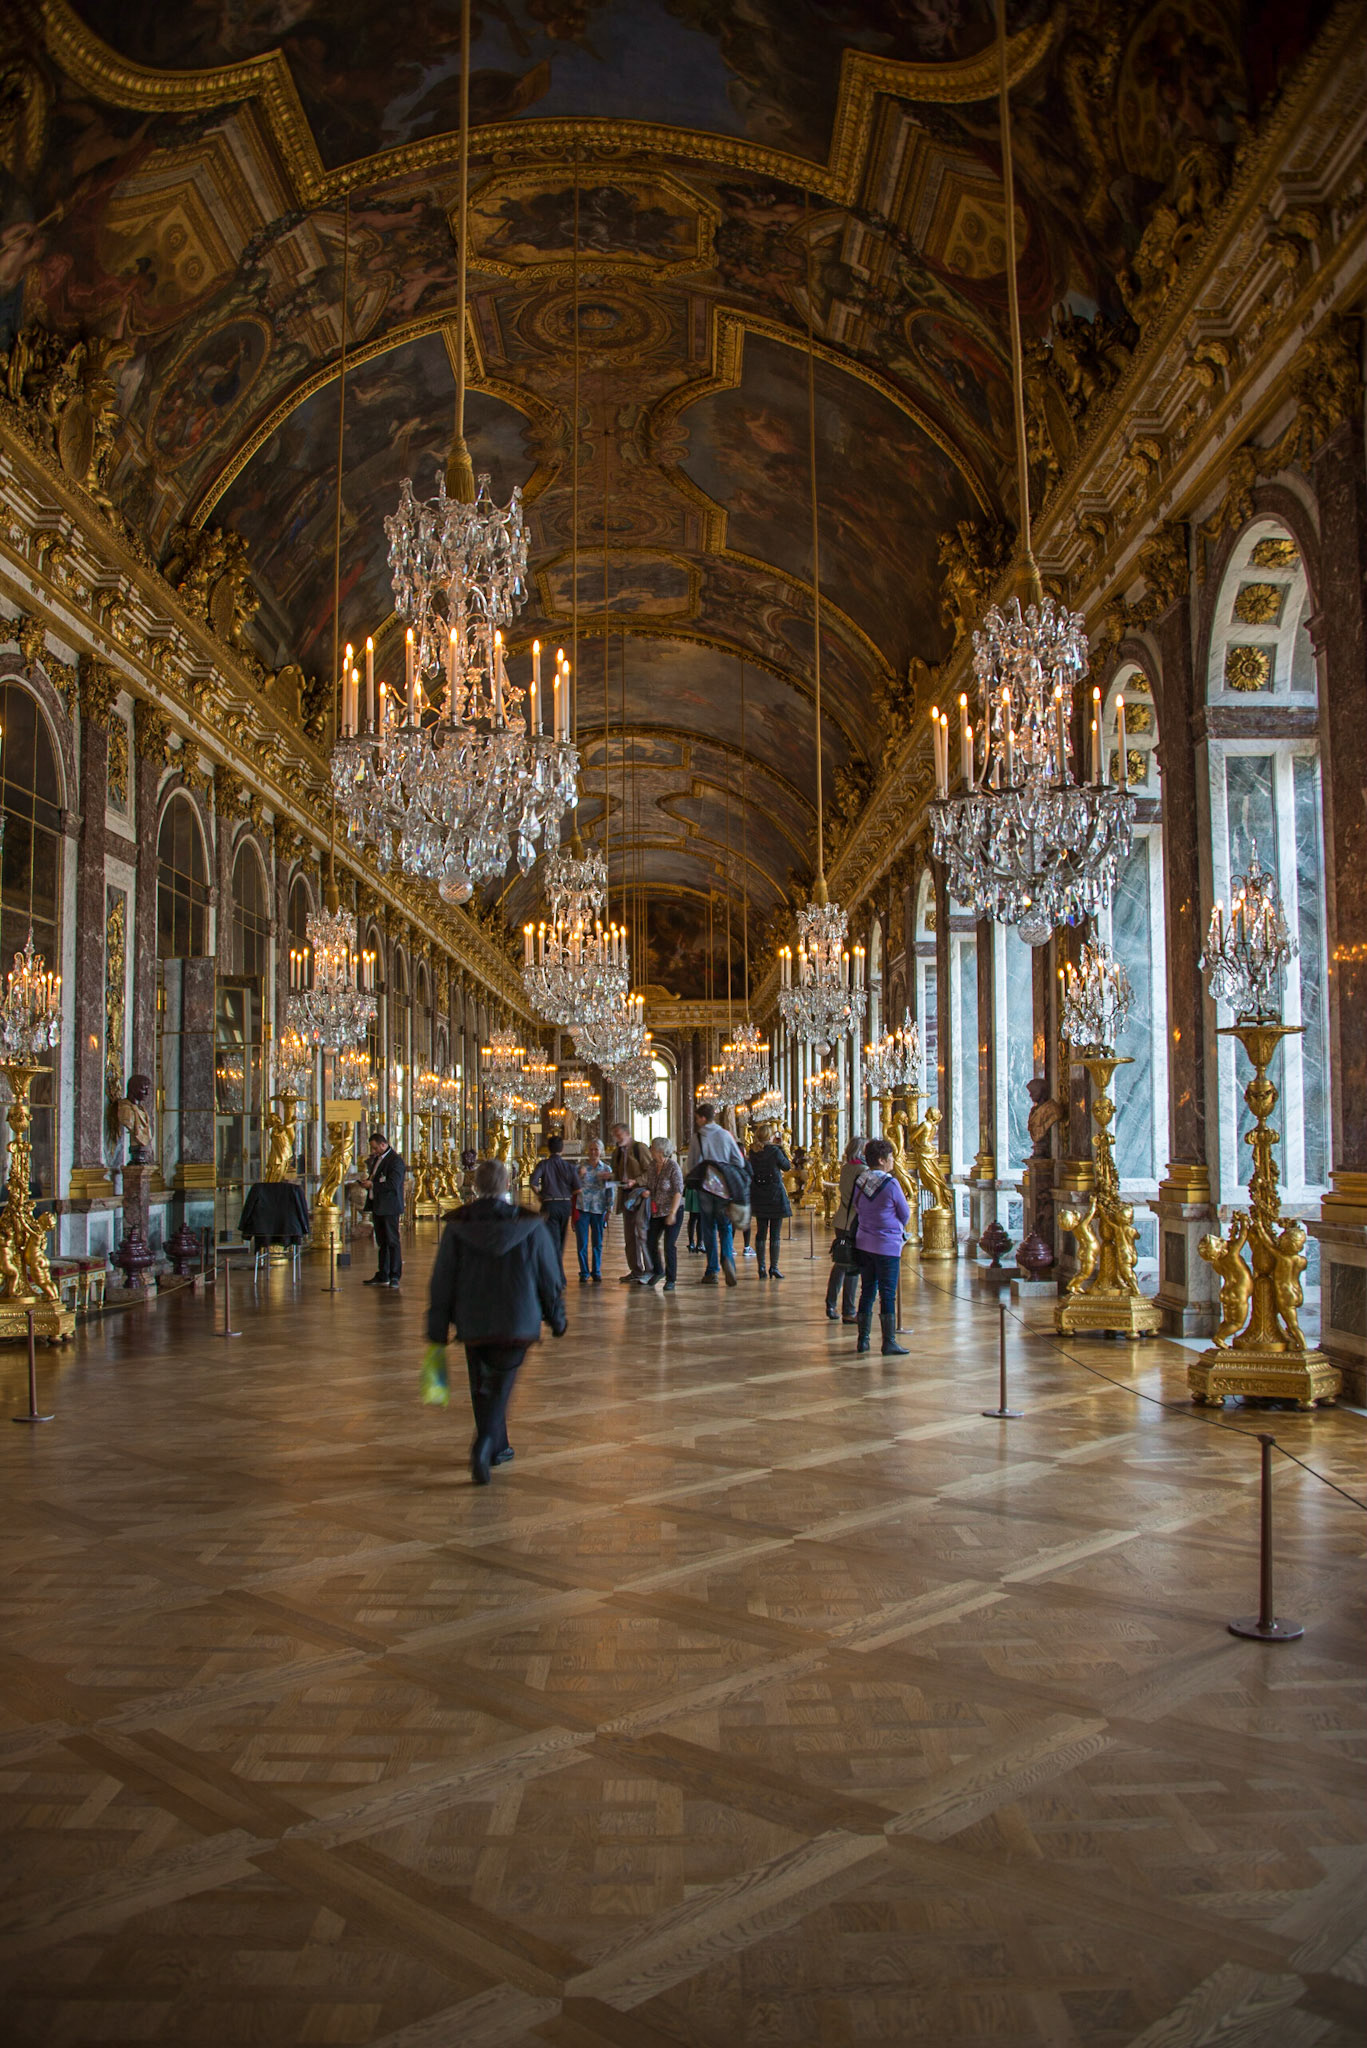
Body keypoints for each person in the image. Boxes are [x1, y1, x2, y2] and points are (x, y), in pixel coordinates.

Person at [423, 1156, 567, 1484]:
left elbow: (442, 1278)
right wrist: (556, 1317)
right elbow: (550, 1276)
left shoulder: (459, 1226)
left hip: (472, 1318)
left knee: (481, 1386)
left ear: (475, 1185)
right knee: (501, 1386)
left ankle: (497, 1445)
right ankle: (485, 1443)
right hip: (517, 1318)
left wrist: (437, 1324)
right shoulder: (530, 1225)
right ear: (508, 1184)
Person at [851, 1137, 912, 1356]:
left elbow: (857, 1206)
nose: (892, 1161)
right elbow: (905, 1213)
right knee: (887, 1293)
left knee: (867, 1290)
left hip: (864, 1242)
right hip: (887, 1245)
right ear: (881, 1160)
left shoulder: (862, 1181)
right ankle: (889, 1341)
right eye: (890, 1157)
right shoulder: (891, 1183)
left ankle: (863, 1339)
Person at [685, 1100, 747, 1287]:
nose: (696, 1122)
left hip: (706, 1187)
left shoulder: (699, 1137)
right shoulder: (726, 1134)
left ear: (703, 1118)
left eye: (697, 1118)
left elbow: (692, 1164)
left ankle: (712, 1270)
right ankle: (728, 1259)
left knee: (708, 1228)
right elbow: (740, 1161)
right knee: (726, 1227)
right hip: (725, 1188)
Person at [827, 1135, 866, 1324]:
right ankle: (849, 1311)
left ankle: (830, 1303)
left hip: (841, 1219)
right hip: (854, 1222)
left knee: (840, 1263)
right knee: (852, 1267)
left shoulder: (846, 1168)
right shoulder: (863, 1170)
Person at [747, 1121, 791, 1279]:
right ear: (770, 1136)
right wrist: (782, 1148)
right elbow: (787, 1167)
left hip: (759, 1194)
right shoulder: (775, 1150)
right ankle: (774, 1267)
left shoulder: (753, 1151)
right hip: (775, 1194)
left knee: (761, 1232)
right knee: (775, 1234)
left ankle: (761, 1268)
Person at [610, 1121, 653, 1283]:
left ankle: (650, 1269)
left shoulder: (639, 1148)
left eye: (618, 1134)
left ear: (627, 1133)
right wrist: (610, 1177)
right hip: (626, 1197)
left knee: (642, 1233)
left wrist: (636, 1181)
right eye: (615, 1135)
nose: (616, 1137)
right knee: (629, 1235)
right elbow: (618, 1173)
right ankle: (635, 1269)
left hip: (641, 1196)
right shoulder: (618, 1152)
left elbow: (651, 1172)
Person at [363, 1129, 406, 1286]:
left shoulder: (395, 1161)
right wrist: (367, 1182)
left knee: (392, 1241)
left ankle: (395, 1275)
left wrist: (372, 1185)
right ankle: (383, 1273)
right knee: (382, 1242)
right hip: (378, 1206)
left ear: (383, 1144)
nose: (373, 1151)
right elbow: (376, 1177)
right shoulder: (378, 1159)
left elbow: (393, 1184)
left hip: (390, 1207)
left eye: (375, 1148)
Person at [642, 1133, 684, 1289]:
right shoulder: (652, 1165)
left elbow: (678, 1191)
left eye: (652, 1148)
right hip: (656, 1211)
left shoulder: (673, 1167)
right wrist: (647, 1192)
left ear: (660, 1151)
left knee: (669, 1245)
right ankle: (659, 1270)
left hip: (673, 1210)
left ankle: (671, 1279)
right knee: (650, 1240)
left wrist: (672, 1213)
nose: (650, 1150)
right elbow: (650, 1184)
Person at [529, 1133, 578, 1266]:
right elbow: (578, 1189)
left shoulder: (543, 1164)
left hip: (549, 1205)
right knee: (561, 1239)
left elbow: (533, 1182)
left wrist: (540, 1195)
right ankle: (558, 1267)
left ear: (549, 1149)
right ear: (562, 1149)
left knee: (552, 1239)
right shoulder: (569, 1166)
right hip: (565, 1205)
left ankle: (555, 1270)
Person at [574, 1135, 614, 1284]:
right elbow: (572, 1186)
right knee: (582, 1243)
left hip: (599, 1208)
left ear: (601, 1151)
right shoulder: (580, 1167)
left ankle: (596, 1270)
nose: (593, 1152)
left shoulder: (606, 1168)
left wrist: (609, 1208)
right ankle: (584, 1271)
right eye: (590, 1149)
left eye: (596, 1149)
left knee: (597, 1242)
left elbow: (611, 1189)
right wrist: (579, 1175)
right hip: (582, 1207)